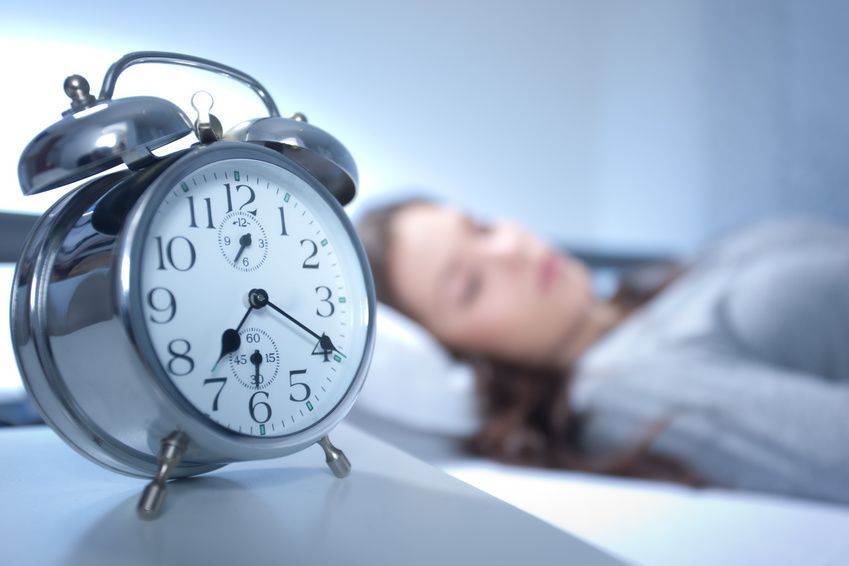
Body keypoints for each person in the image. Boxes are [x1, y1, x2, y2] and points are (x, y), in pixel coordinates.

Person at [356, 198, 849, 504]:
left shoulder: (647, 287)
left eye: (481, 228)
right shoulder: (623, 390)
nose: (508, 251)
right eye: (471, 285)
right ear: (466, 362)